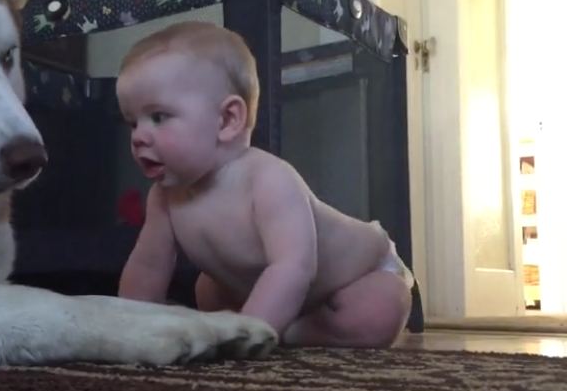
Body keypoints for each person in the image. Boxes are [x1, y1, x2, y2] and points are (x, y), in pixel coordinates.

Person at [116, 21, 414, 348]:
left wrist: (247, 332)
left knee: (379, 310)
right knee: (207, 291)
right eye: (133, 122)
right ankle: (272, 324)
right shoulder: (164, 197)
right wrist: (129, 322)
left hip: (354, 277)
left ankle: (285, 331)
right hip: (257, 288)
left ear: (227, 120)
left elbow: (295, 267)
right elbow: (149, 265)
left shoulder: (268, 180)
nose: (139, 137)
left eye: (158, 117)